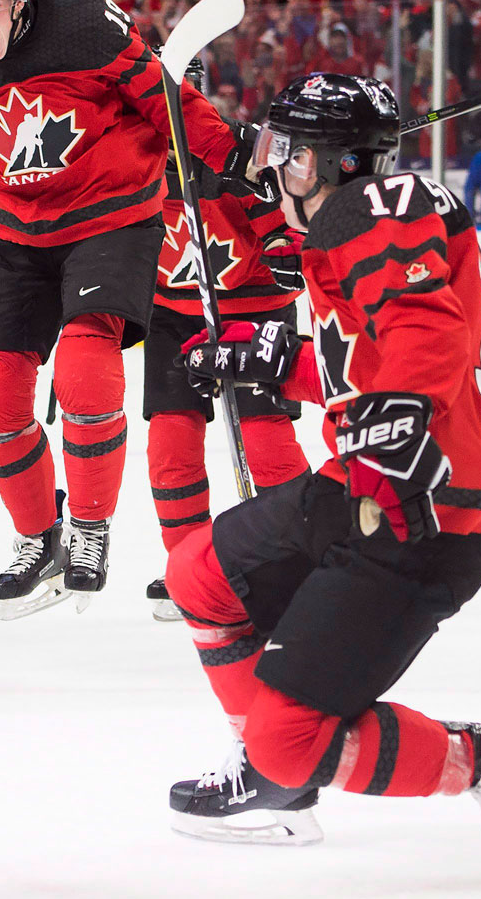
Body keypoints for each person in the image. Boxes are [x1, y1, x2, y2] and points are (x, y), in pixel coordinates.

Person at [165, 73, 481, 880]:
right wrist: (274, 361)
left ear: (329, 164)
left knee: (291, 740)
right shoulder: (356, 228)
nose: (275, 165)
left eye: (289, 151)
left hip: (424, 508)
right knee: (198, 576)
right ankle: (280, 775)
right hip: (369, 483)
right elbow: (370, 361)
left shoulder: (372, 210)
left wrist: (402, 420)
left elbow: (428, 336)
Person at [0, 0, 250, 619]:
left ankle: (91, 529)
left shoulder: (82, 23)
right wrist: (25, 201)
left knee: (83, 366)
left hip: (111, 216)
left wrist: (228, 152)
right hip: (15, 234)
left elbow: (161, 96)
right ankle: (36, 537)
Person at [144, 58, 308, 622]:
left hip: (252, 310)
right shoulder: (131, 159)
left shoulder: (240, 151)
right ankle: (192, 567)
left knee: (265, 443)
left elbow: (285, 217)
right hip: (173, 314)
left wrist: (287, 249)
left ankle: (301, 557)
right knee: (170, 445)